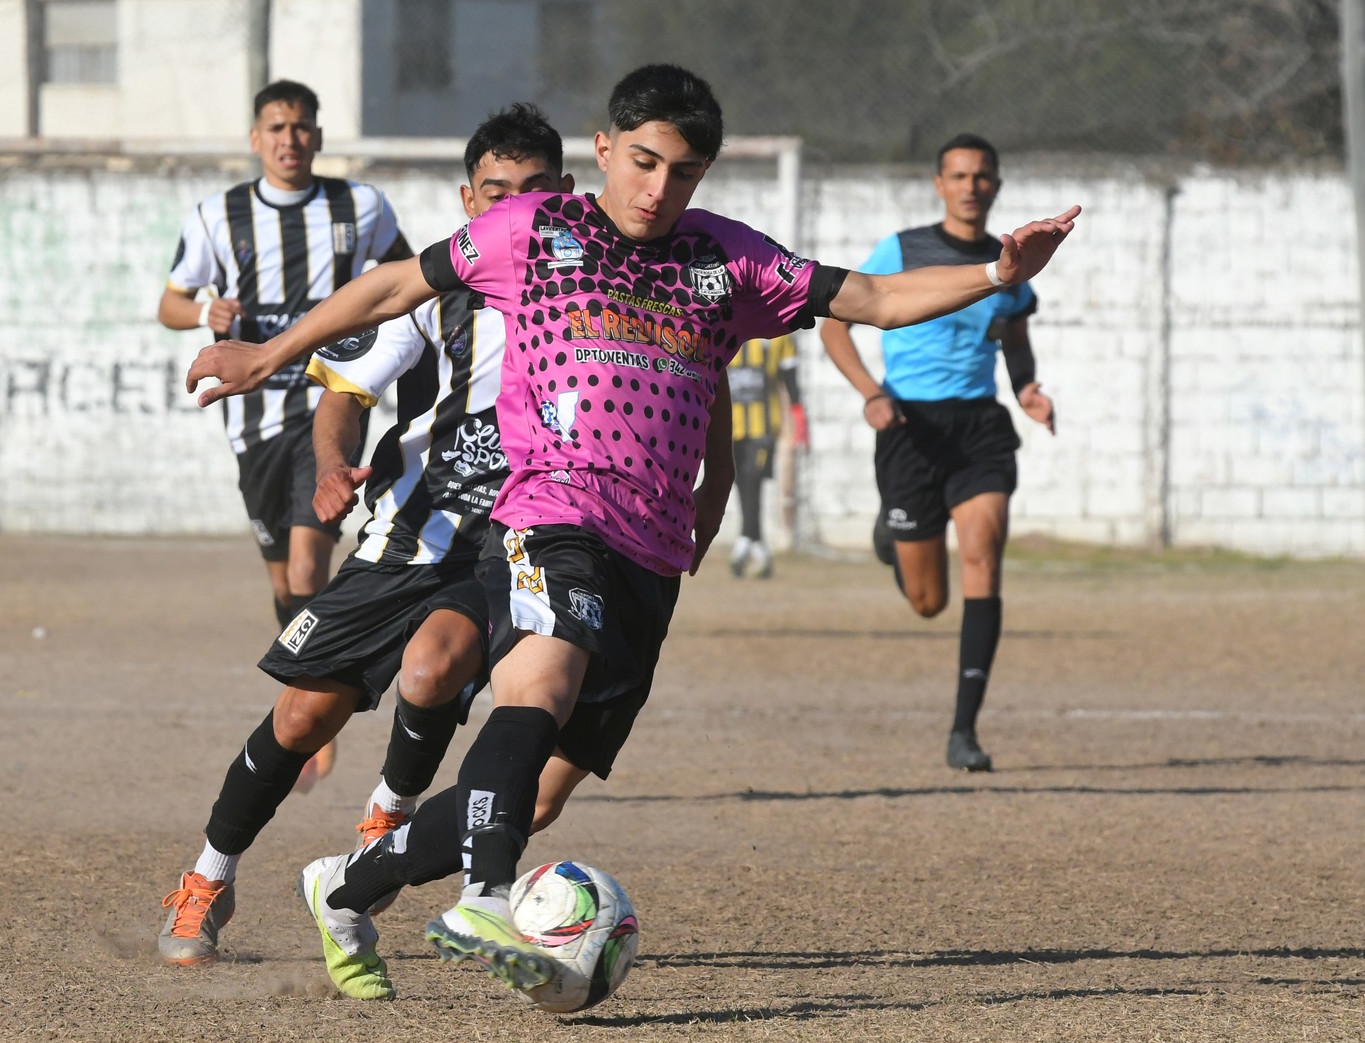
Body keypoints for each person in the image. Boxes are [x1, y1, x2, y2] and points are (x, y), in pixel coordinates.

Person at [185, 65, 1079, 1000]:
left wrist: (995, 273)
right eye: (644, 161)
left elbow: (878, 300)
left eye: (683, 171)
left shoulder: (727, 260)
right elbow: (391, 289)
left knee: (537, 793)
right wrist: (268, 355)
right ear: (604, 150)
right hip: (549, 513)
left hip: (650, 550)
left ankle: (346, 884)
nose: (658, 189)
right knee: (543, 672)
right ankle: (487, 895)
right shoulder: (533, 229)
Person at [156, 105, 575, 980]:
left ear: (567, 197)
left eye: (536, 194)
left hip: (513, 542)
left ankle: (386, 816)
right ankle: (208, 876)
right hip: (408, 532)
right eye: (497, 194)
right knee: (304, 716)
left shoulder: (593, 297)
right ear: (468, 201)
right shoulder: (433, 291)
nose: (517, 211)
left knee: (432, 670)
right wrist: (332, 466)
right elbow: (343, 393)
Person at [158, 79, 413, 791]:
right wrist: (204, 316)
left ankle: (312, 711)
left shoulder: (359, 208)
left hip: (326, 402)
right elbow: (169, 302)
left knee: (307, 568)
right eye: (276, 126)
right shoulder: (218, 216)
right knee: (282, 578)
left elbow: (409, 279)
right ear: (255, 138)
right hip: (251, 420)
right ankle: (306, 684)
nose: (289, 139)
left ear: (320, 137)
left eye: (301, 127)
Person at [818, 133, 1057, 774]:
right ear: (939, 184)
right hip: (909, 429)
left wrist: (1028, 388)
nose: (971, 185)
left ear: (996, 184)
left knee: (984, 553)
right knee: (928, 602)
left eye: (982, 175)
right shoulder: (902, 249)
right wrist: (870, 393)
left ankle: (964, 731)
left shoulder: (1011, 258)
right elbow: (835, 319)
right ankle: (892, 538)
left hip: (980, 427)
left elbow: (1014, 336)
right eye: (959, 175)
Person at [727, 333, 807, 578]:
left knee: (753, 477)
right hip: (728, 423)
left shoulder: (781, 333)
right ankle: (756, 543)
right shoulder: (722, 320)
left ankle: (745, 541)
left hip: (764, 425)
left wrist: (798, 414)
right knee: (738, 477)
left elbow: (790, 375)